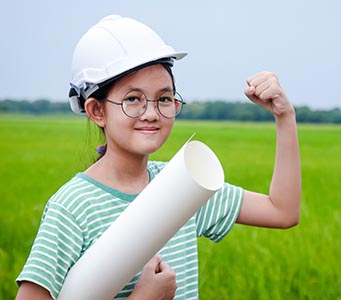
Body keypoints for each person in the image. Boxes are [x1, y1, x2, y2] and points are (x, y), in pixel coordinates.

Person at [15, 15, 301, 300]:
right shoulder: (73, 207)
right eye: (133, 99)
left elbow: (282, 211)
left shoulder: (182, 187)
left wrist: (284, 116)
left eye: (164, 98)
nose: (151, 113)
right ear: (97, 111)